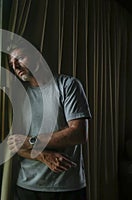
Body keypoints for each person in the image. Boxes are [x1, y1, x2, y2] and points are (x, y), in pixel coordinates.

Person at [7, 46, 91, 200]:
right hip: (27, 187)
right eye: (12, 63)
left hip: (67, 186)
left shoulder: (67, 85)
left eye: (20, 59)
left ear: (37, 57)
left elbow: (78, 133)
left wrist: (31, 141)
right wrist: (43, 155)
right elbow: (15, 143)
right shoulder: (18, 95)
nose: (15, 66)